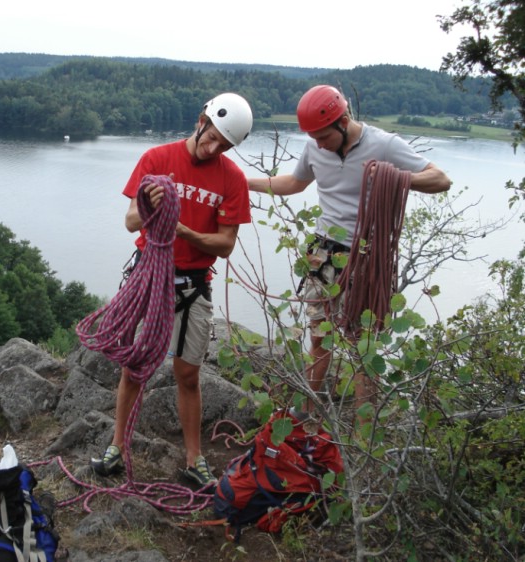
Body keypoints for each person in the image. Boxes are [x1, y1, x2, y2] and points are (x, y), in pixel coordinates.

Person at [248, 84, 451, 415]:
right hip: (322, 254)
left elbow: (440, 179)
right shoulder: (316, 149)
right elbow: (295, 183)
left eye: (323, 136)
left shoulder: (384, 145)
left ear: (343, 121)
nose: (318, 144)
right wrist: (244, 183)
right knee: (318, 337)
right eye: (313, 137)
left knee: (362, 346)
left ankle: (362, 431)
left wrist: (393, 177)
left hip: (367, 257)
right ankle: (304, 414)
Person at [90, 92, 254, 486]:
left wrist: (182, 229)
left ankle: (194, 458)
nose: (213, 147)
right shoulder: (157, 159)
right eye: (211, 136)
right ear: (202, 120)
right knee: (135, 367)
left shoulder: (231, 179)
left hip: (194, 283)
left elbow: (226, 244)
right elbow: (131, 222)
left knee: (188, 375)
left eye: (223, 145)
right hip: (150, 274)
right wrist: (148, 204)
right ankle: (117, 447)